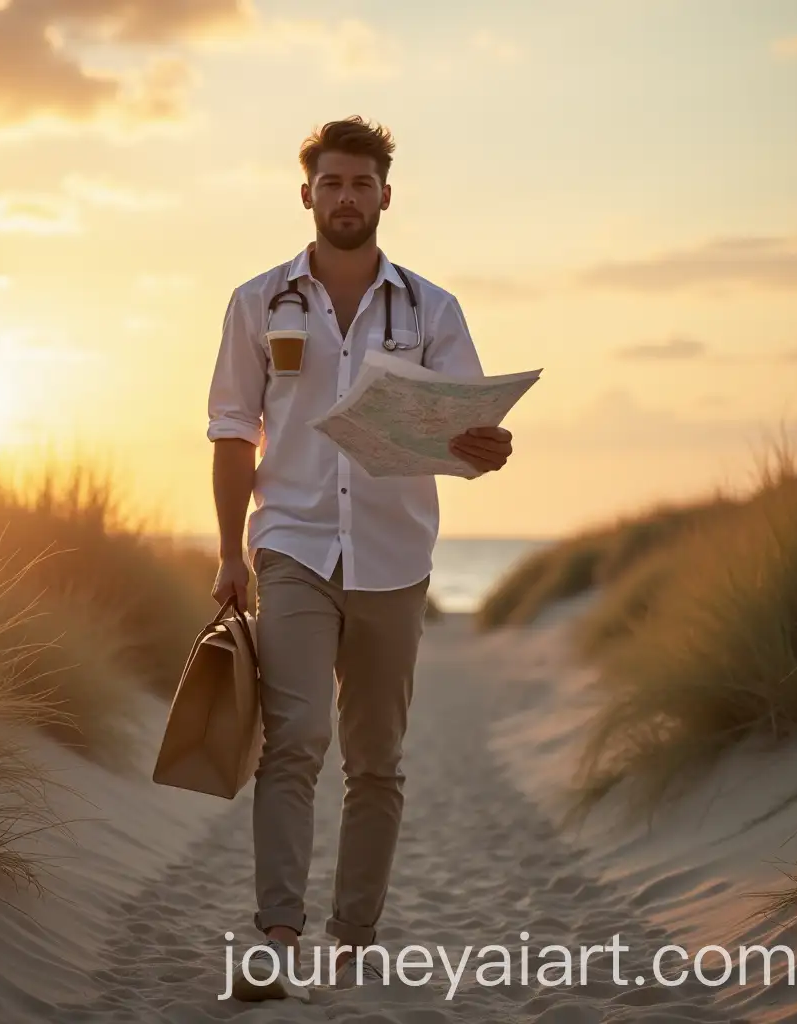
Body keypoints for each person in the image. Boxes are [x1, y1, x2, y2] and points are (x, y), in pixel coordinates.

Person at [206, 115, 514, 1001]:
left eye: (361, 184)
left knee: (376, 758)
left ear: (386, 195)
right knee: (295, 741)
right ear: (307, 195)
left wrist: (484, 449)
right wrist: (231, 551)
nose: (346, 197)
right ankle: (273, 937)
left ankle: (352, 938)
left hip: (393, 553)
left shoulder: (432, 310)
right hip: (293, 545)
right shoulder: (259, 302)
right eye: (331, 183)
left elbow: (466, 428)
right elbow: (232, 432)